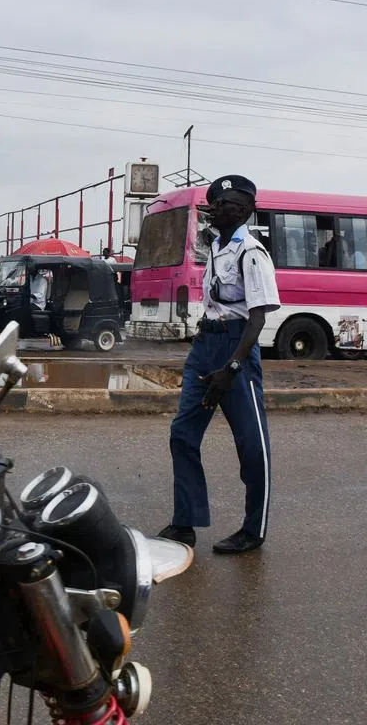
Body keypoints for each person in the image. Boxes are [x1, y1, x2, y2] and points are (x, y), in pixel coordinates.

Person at [158, 175, 281, 555]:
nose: (217, 208)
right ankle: (185, 523)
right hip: (206, 344)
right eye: (215, 202)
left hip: (236, 347)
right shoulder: (216, 247)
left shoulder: (252, 253)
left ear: (245, 211)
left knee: (251, 444)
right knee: (183, 434)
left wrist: (231, 369)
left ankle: (252, 529)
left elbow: (257, 319)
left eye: (226, 203)